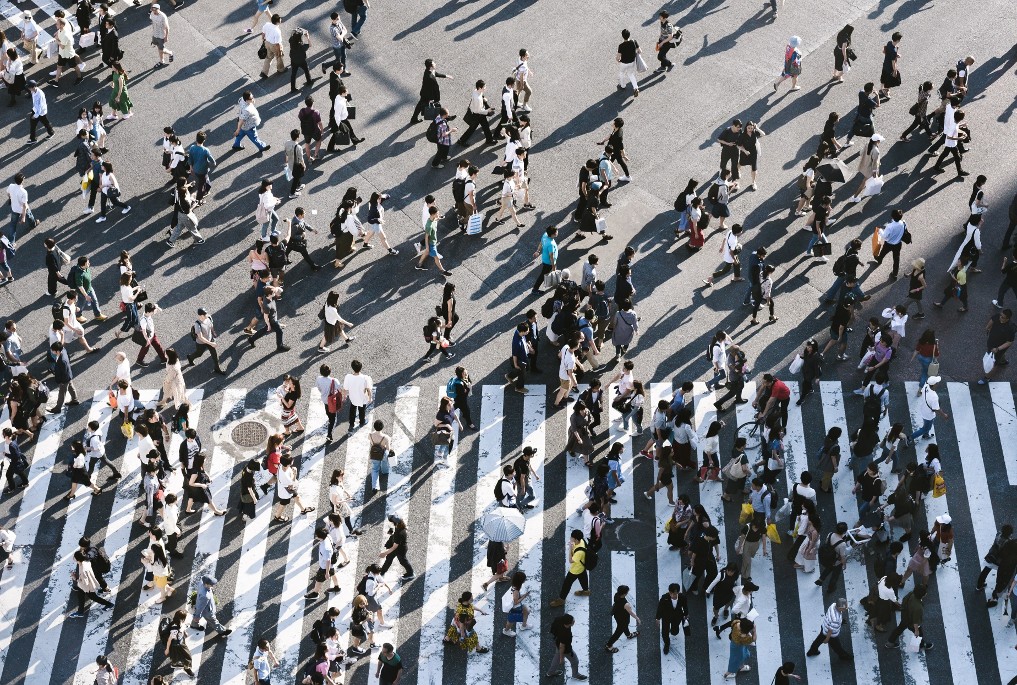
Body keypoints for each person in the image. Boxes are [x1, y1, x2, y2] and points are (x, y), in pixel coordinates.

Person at [885, 586, 932, 651]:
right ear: (923, 595)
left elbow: (904, 600)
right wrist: (916, 630)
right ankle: (920, 646)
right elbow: (916, 620)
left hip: (905, 615)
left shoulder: (911, 594)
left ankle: (890, 642)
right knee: (919, 634)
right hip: (910, 621)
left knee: (899, 628)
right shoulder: (918, 608)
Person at [70, 550, 114, 618]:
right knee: (80, 594)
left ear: (78, 559)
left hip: (87, 587)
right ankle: (80, 611)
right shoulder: (85, 562)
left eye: (74, 557)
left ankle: (109, 604)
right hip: (88, 583)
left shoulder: (83, 569)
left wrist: (75, 578)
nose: (73, 558)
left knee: (93, 597)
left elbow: (85, 583)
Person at [979, 308, 1017, 384]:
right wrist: (987, 327)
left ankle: (987, 378)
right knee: (999, 357)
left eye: (1003, 317)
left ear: (1008, 319)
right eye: (1000, 315)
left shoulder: (1010, 328)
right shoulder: (998, 317)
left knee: (993, 362)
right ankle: (1002, 361)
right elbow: (992, 320)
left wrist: (998, 349)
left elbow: (1009, 342)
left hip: (997, 348)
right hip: (991, 343)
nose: (1000, 318)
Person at [907, 376, 947, 445]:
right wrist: (944, 415)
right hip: (929, 415)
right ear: (934, 384)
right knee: (926, 428)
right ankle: (910, 437)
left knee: (926, 426)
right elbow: (936, 409)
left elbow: (922, 392)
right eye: (937, 382)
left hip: (924, 410)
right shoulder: (934, 397)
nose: (938, 383)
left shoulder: (926, 386)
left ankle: (926, 435)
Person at [546, 614, 587, 680]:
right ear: (568, 624)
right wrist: (562, 659)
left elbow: (553, 628)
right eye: (572, 621)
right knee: (575, 661)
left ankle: (550, 672)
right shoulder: (565, 634)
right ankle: (575, 674)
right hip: (565, 649)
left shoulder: (559, 619)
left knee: (556, 659)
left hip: (557, 642)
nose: (574, 621)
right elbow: (562, 647)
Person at [411, 58, 452, 124]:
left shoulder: (428, 71)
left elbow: (436, 74)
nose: (435, 64)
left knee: (420, 105)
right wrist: (432, 99)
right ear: (431, 66)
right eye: (434, 63)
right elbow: (433, 89)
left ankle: (414, 118)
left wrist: (446, 76)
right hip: (427, 95)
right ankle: (444, 118)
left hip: (424, 93)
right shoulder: (429, 77)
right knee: (436, 107)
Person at [605, 585, 640, 653]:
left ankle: (628, 635)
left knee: (624, 627)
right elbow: (631, 613)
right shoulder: (626, 604)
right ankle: (608, 646)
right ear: (624, 593)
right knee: (618, 633)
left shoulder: (616, 595)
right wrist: (637, 619)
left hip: (617, 615)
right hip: (623, 619)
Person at [342, 359, 373, 435]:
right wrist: (370, 398)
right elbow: (369, 389)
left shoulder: (348, 377)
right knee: (362, 410)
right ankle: (362, 421)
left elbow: (345, 389)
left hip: (353, 398)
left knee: (352, 410)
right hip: (362, 398)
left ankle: (351, 424)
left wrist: (344, 396)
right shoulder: (365, 378)